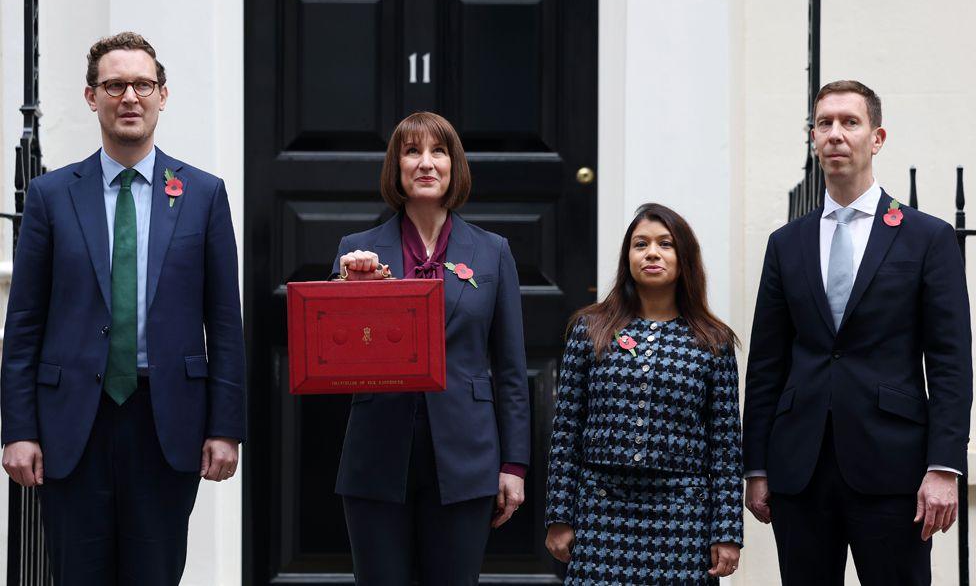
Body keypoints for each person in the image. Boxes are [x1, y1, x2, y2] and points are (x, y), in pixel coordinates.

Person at [0, 32, 246, 585]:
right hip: (71, 428)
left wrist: (226, 427)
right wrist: (17, 429)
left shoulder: (204, 195)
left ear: (163, 95)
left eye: (142, 84)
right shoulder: (51, 196)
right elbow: (25, 325)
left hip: (167, 423)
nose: (129, 97)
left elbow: (224, 321)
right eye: (115, 85)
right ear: (92, 97)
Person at [742, 80, 972, 585]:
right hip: (800, 467)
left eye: (850, 122)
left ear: (877, 137)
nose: (835, 134)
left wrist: (945, 466)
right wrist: (756, 466)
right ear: (812, 138)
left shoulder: (927, 237)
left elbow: (951, 362)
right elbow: (766, 364)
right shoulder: (786, 244)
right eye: (824, 124)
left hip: (894, 468)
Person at [329, 111, 530, 585]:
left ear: (454, 165)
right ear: (396, 167)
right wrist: (352, 285)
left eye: (438, 151)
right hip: (377, 455)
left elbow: (510, 368)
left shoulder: (492, 251)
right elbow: (336, 356)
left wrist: (514, 465)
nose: (425, 163)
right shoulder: (356, 250)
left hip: (467, 457)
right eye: (411, 151)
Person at [545, 203, 743, 585]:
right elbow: (566, 430)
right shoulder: (591, 330)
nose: (652, 252)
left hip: (684, 519)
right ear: (628, 258)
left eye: (665, 244)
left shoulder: (712, 341)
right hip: (600, 512)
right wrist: (559, 516)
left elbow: (725, 445)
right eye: (641, 244)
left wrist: (727, 532)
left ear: (684, 258)